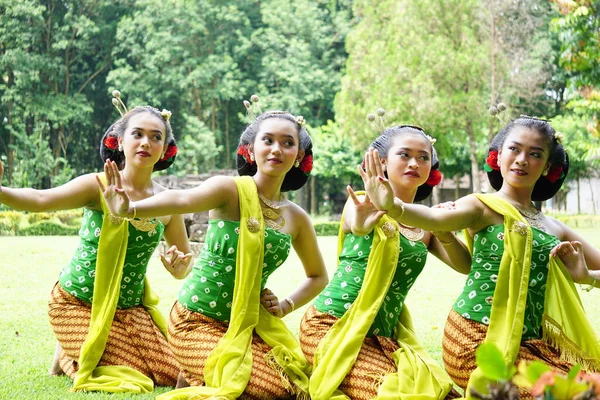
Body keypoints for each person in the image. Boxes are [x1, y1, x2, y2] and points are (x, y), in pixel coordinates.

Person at [359, 116, 600, 399]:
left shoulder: (554, 228)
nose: (522, 159)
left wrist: (586, 277)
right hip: (475, 337)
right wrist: (394, 206)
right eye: (514, 149)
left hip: (531, 343)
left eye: (534, 154)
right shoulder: (481, 206)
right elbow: (434, 217)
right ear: (498, 157)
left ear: (547, 167)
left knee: (589, 390)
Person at [99, 107, 329, 399]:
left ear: (298, 156)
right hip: (196, 319)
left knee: (295, 387)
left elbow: (318, 276)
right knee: (265, 391)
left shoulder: (296, 217)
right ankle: (194, 367)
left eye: (287, 143)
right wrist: (130, 208)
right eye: (268, 140)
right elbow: (181, 198)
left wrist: (285, 306)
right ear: (250, 149)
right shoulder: (228, 191)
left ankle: (192, 373)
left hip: (248, 324)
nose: (276, 149)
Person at [0, 96, 192, 393]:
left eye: (156, 137)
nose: (145, 143)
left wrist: (177, 267)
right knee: (127, 375)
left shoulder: (167, 202)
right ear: (120, 140)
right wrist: (1, 191)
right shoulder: (98, 184)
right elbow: (41, 200)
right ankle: (70, 352)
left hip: (129, 308)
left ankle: (72, 348)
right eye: (137, 134)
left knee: (167, 373)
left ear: (165, 149)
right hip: (77, 300)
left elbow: (183, 266)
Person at [300, 124, 470, 400]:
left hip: (384, 337)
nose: (414, 163)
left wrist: (443, 230)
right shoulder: (364, 202)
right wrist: (362, 221)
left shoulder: (425, 224)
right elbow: (357, 223)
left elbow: (465, 266)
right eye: (404, 154)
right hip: (333, 326)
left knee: (443, 395)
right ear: (382, 162)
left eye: (423, 157)